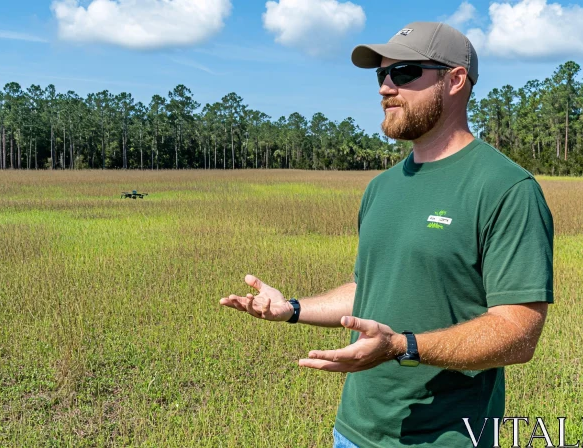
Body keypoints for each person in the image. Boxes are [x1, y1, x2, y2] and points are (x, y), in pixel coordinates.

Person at [219, 21, 554, 448]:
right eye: (382, 74)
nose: (385, 88)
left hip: (445, 438)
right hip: (355, 431)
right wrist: (293, 309)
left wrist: (402, 346)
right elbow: (369, 290)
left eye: (405, 72)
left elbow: (518, 332)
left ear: (454, 80)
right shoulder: (382, 187)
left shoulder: (505, 189)